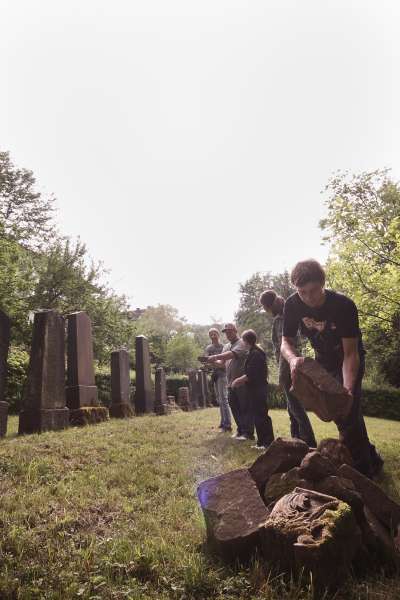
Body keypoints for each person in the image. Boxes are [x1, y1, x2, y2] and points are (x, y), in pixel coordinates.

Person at [281, 258, 383, 478]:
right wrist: (292, 360)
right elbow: (286, 342)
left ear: (323, 283)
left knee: (348, 412)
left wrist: (347, 391)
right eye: (303, 292)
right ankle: (373, 458)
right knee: (343, 415)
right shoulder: (292, 305)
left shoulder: (343, 305)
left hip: (349, 357)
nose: (309, 298)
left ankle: (364, 474)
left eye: (314, 290)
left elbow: (350, 354)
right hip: (323, 362)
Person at [260, 290, 316, 447]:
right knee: (291, 408)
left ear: (270, 305)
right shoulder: (279, 317)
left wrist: (282, 377)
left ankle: (308, 442)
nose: (266, 311)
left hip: (291, 366)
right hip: (288, 365)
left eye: (266, 308)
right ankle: (296, 440)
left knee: (295, 406)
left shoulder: (286, 316)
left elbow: (288, 347)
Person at [207, 323, 254, 440]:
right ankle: (240, 430)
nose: (228, 334)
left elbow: (231, 355)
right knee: (234, 407)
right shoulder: (226, 346)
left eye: (230, 331)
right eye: (226, 332)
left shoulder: (242, 343)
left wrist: (215, 356)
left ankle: (248, 433)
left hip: (241, 381)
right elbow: (221, 364)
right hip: (230, 382)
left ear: (235, 331)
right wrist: (211, 362)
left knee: (245, 407)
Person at [231, 329, 274, 450]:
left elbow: (251, 374)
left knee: (261, 415)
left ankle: (266, 443)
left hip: (258, 389)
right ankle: (262, 442)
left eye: (243, 341)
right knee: (258, 415)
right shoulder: (254, 352)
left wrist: (236, 381)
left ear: (246, 341)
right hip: (256, 389)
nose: (242, 343)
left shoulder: (255, 353)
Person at [204, 328, 232, 432]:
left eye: (214, 334)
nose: (213, 336)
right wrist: (206, 363)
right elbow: (206, 363)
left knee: (224, 399)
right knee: (220, 400)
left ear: (218, 335)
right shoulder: (208, 348)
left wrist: (213, 362)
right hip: (215, 375)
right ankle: (223, 422)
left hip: (223, 375)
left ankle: (227, 425)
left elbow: (225, 365)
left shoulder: (224, 347)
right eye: (211, 334)